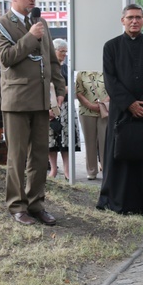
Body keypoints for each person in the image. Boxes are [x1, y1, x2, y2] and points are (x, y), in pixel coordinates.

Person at [0, 0, 65, 226]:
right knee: (17, 156)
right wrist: (31, 36)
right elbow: (6, 58)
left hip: (42, 100)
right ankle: (16, 206)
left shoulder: (40, 22)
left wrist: (60, 89)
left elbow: (52, 61)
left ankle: (36, 204)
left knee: (39, 156)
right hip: (17, 100)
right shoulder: (0, 24)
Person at [96, 4, 143, 216]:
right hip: (122, 112)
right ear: (123, 21)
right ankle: (121, 202)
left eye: (138, 17)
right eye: (130, 17)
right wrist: (130, 103)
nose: (134, 21)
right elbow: (110, 79)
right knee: (122, 157)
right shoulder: (110, 47)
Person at [48, 38, 79, 180]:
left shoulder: (66, 68)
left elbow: (73, 88)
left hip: (66, 107)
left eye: (66, 52)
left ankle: (67, 170)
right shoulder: (47, 67)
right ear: (54, 51)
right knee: (51, 141)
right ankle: (53, 169)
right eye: (62, 51)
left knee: (66, 141)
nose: (64, 54)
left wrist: (61, 89)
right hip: (50, 107)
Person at [75, 70, 108, 181]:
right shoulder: (81, 73)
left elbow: (113, 89)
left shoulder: (106, 70)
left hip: (105, 110)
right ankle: (91, 171)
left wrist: (103, 103)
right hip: (86, 111)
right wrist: (90, 105)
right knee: (90, 142)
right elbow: (78, 92)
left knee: (105, 141)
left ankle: (106, 169)